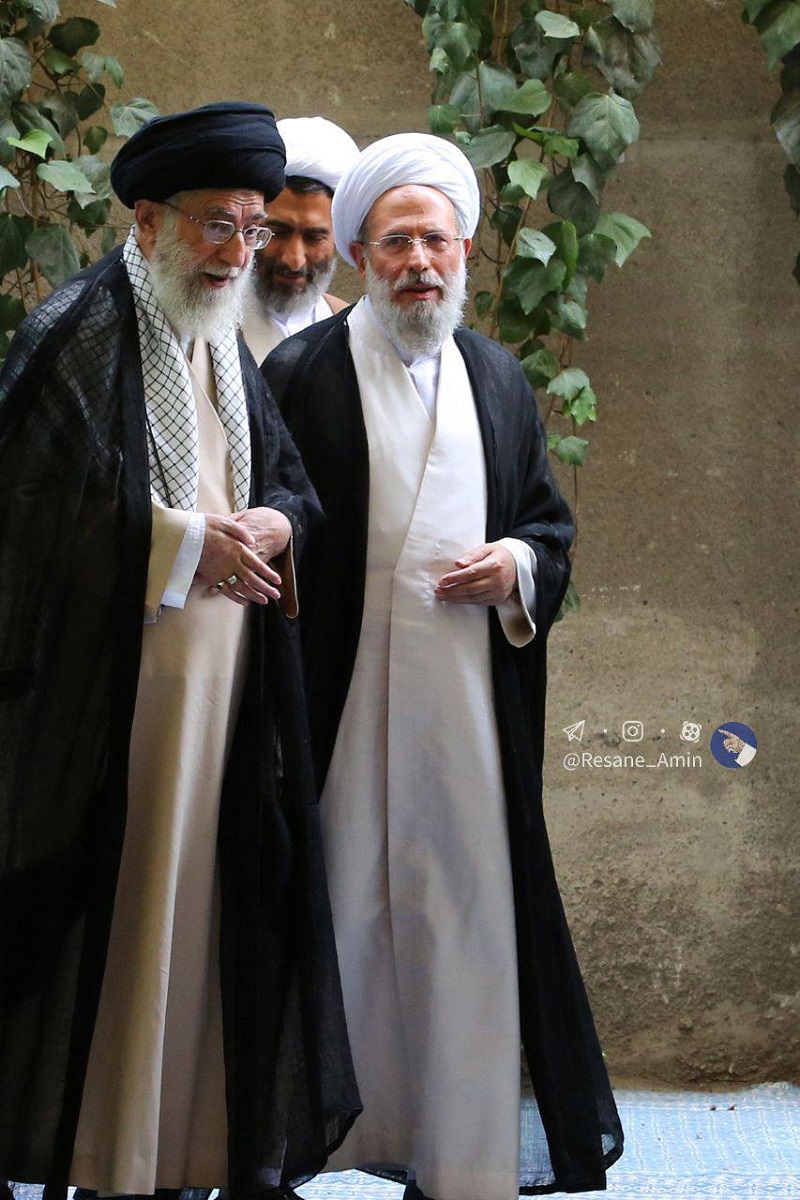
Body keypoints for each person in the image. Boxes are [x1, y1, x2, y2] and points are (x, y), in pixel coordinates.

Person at [0, 102, 359, 1200]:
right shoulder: (79, 328)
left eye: (252, 229)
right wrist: (184, 544)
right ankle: (102, 1155)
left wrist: (277, 523)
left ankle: (177, 1155)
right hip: (119, 705)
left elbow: (289, 482)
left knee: (205, 922)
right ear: (149, 222)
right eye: (217, 225)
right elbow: (25, 510)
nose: (236, 253)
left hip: (225, 699)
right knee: (117, 925)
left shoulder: (218, 342)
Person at [263, 132, 624, 1200]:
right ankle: (308, 1142)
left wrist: (515, 565)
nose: (418, 262)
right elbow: (274, 515)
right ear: (360, 256)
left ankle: (459, 1162)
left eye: (435, 241)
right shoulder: (302, 373)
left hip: (467, 715)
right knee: (333, 921)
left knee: (467, 924)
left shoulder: (498, 377)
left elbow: (548, 527)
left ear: (463, 250)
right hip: (339, 705)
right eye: (395, 243)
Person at [242, 116, 359, 364]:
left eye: (314, 238)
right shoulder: (211, 330)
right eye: (278, 232)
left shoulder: (353, 329)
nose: (294, 260)